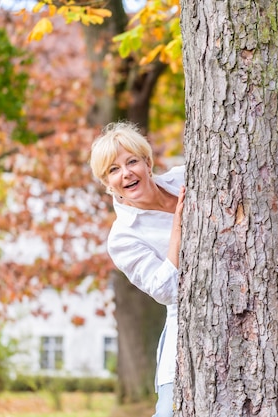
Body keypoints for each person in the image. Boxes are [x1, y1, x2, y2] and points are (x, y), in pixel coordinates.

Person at [89, 121, 184, 417]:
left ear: (148, 162)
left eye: (132, 161)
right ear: (107, 184)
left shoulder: (185, 179)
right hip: (186, 327)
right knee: (169, 412)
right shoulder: (122, 237)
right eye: (113, 170)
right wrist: (180, 226)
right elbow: (166, 290)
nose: (126, 173)